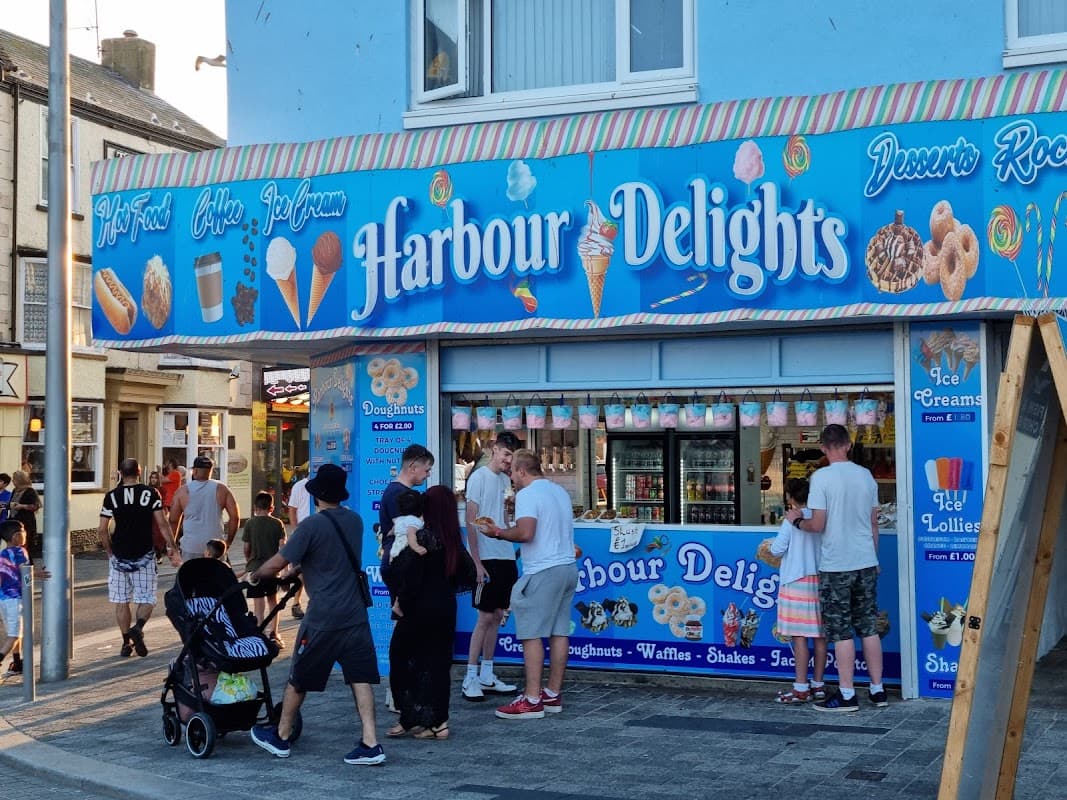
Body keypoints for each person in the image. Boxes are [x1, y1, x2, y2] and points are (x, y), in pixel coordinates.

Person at [249, 463, 385, 765]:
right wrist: (301, 568)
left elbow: (276, 563)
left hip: (324, 615)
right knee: (360, 677)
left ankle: (281, 736)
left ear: (317, 496)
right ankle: (371, 742)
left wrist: (255, 575)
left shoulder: (311, 525)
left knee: (299, 676)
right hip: (355, 613)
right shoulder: (355, 521)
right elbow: (329, 556)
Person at [789, 423, 887, 712]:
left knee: (841, 630)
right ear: (848, 445)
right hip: (866, 561)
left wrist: (796, 520)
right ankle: (878, 690)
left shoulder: (821, 477)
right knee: (868, 626)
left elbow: (818, 524)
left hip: (836, 565)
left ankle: (847, 694)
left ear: (822, 448)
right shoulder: (866, 476)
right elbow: (873, 523)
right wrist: (875, 558)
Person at [485, 449, 577, 720]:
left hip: (542, 570)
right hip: (567, 567)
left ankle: (533, 698)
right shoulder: (559, 491)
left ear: (522, 471)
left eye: (512, 471)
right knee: (559, 631)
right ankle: (552, 693)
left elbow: (526, 533)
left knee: (531, 634)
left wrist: (498, 532)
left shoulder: (527, 494)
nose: (510, 476)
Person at [386, 485, 473, 740]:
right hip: (445, 607)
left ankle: (411, 715)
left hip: (418, 608)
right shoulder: (453, 539)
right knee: (438, 664)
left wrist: (400, 601)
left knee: (402, 658)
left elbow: (407, 574)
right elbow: (465, 574)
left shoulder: (423, 538)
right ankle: (439, 721)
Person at [98, 458, 182, 658]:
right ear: (139, 471)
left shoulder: (112, 496)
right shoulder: (150, 493)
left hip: (119, 554)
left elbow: (102, 529)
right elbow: (162, 523)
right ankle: (139, 627)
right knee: (147, 598)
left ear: (120, 473)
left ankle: (126, 642)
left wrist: (110, 551)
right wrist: (172, 546)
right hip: (144, 552)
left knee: (122, 601)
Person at [462, 431, 521, 701]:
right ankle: (469, 677)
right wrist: (476, 561)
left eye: (512, 456)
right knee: (484, 617)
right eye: (506, 454)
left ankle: (487, 672)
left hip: (506, 554)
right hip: (486, 557)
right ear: (493, 449)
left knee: (498, 616)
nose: (508, 460)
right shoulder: (479, 478)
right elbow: (471, 521)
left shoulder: (506, 481)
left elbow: (507, 519)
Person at [766, 477, 827, 705]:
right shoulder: (821, 517)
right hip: (820, 582)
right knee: (821, 637)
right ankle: (819, 685)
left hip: (795, 583)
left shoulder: (791, 520)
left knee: (799, 638)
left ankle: (801, 687)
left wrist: (771, 546)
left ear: (790, 498)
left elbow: (777, 549)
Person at [0, 520, 50, 678]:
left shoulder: (3, 554)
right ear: (15, 537)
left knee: (13, 632)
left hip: (4, 599)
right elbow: (25, 572)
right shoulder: (20, 551)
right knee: (15, 635)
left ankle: (17, 663)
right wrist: (38, 574)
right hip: (16, 598)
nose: (26, 534)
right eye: (23, 532)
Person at [169, 455, 240, 561]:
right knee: (216, 576)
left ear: (195, 471)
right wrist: (228, 542)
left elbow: (173, 521)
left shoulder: (182, 491)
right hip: (215, 547)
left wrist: (171, 546)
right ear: (210, 471)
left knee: (192, 577)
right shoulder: (222, 489)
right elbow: (235, 517)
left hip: (191, 546)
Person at [243, 491, 287, 647]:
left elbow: (246, 548)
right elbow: (283, 548)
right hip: (272, 569)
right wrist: (284, 569)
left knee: (258, 604)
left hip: (255, 569)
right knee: (273, 601)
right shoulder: (277, 524)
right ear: (272, 507)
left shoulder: (250, 523)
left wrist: (249, 561)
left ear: (255, 507)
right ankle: (274, 633)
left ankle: (259, 632)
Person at [378, 444, 435, 563]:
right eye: (427, 470)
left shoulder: (398, 492)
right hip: (401, 563)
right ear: (413, 468)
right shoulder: (398, 494)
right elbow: (404, 531)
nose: (428, 475)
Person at [286, 474, 312, 619]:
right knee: (301, 571)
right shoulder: (299, 486)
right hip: (303, 532)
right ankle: (296, 603)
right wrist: (296, 531)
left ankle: (301, 603)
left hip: (317, 533)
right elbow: (292, 509)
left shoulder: (320, 484)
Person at [8, 471, 41, 557]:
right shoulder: (15, 490)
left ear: (20, 480)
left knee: (25, 546)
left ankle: (27, 565)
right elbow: (11, 503)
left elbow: (36, 506)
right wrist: (10, 505)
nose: (13, 482)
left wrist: (22, 506)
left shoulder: (30, 491)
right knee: (15, 546)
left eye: (14, 479)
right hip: (15, 522)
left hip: (26, 522)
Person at [388, 490, 427, 560]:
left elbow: (392, 530)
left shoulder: (399, 519)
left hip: (394, 550)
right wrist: (416, 547)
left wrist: (389, 534)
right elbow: (410, 534)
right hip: (404, 549)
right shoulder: (414, 521)